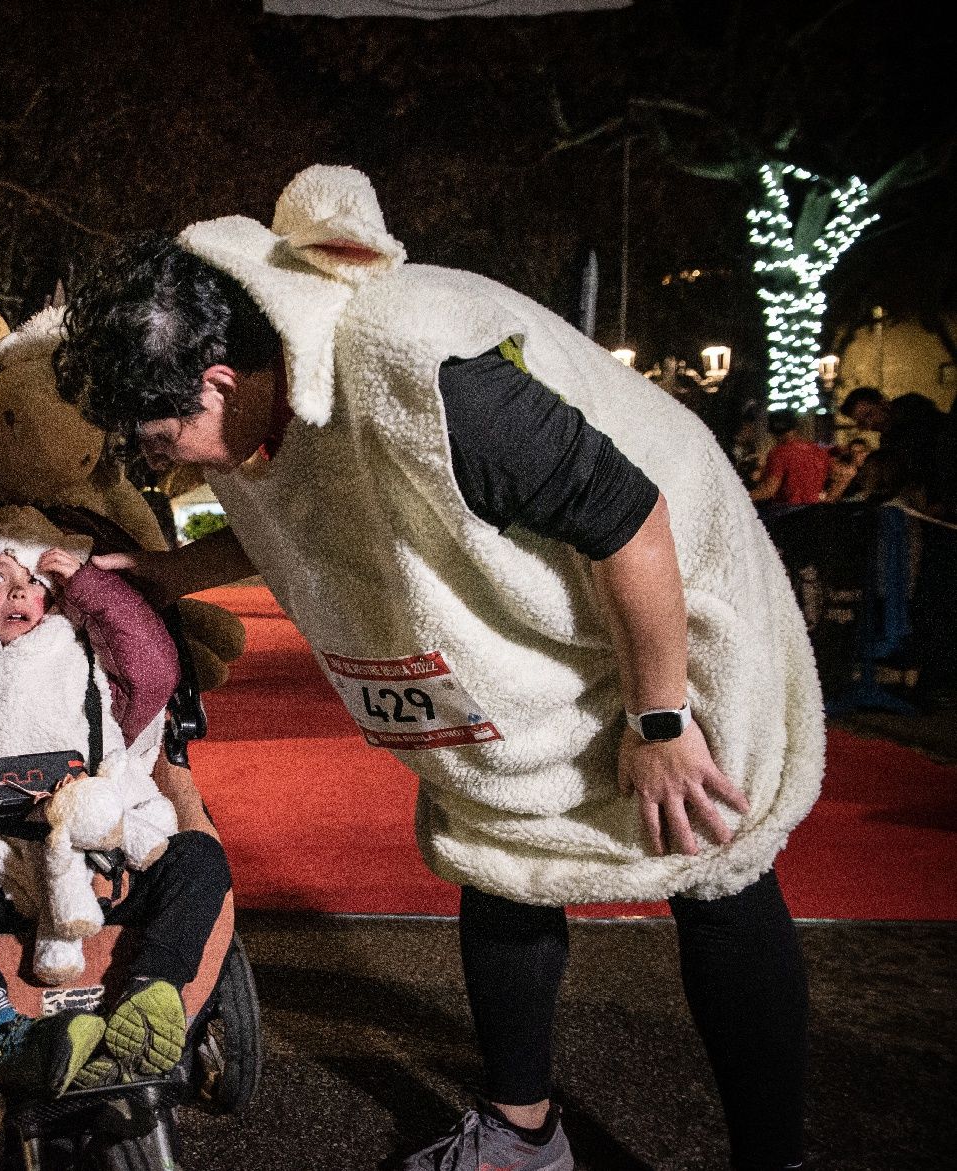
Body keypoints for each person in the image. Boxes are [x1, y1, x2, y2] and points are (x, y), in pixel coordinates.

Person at [54, 166, 820, 1171]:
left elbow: (631, 524)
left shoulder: (423, 366)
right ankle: (519, 1134)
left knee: (712, 857)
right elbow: (301, 518)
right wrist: (164, 571)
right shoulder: (261, 397)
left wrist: (660, 722)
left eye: (163, 438)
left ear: (217, 381)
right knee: (497, 848)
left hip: (665, 599)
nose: (168, 463)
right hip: (527, 639)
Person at [0, 509, 227, 1096]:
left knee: (199, 857)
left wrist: (88, 587)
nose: (18, 589)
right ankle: (0, 1026)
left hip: (100, 859)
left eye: (35, 582)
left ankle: (153, 993)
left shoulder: (82, 652)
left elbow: (154, 668)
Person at [748, 409, 830, 507]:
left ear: (773, 432)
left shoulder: (779, 453)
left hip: (789, 512)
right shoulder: (818, 450)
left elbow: (768, 490)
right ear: (796, 427)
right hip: (816, 509)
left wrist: (743, 496)